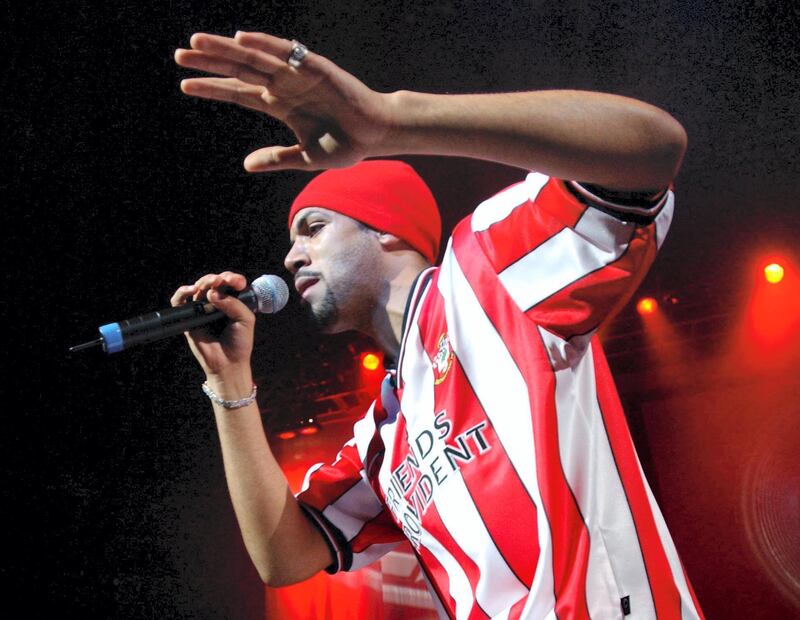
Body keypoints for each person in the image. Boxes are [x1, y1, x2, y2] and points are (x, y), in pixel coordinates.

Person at [171, 31, 703, 619]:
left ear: (388, 229)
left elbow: (654, 148)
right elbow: (282, 556)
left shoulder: (483, 268)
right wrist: (228, 382)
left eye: (314, 230)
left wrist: (390, 120)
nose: (292, 258)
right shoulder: (382, 438)